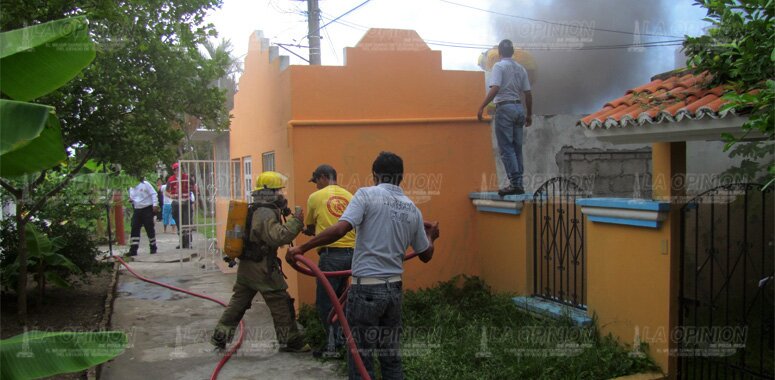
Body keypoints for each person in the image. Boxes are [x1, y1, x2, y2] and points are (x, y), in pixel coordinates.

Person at [287, 152, 440, 380]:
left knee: (361, 356)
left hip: (366, 290)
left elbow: (341, 229)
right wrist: (432, 237)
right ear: (401, 177)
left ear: (375, 174)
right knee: (390, 357)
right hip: (394, 292)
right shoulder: (412, 209)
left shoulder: (366, 195)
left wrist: (302, 248)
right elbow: (426, 255)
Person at [211, 171, 310, 353]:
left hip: (247, 267)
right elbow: (277, 236)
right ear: (269, 192)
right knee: (280, 302)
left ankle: (221, 335)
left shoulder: (256, 207)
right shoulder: (264, 212)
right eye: (278, 190)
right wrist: (296, 221)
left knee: (239, 302)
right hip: (262, 268)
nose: (281, 195)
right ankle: (290, 340)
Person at [303, 164, 356, 358]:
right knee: (342, 300)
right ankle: (346, 340)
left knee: (326, 302)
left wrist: (308, 231)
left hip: (331, 256)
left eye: (316, 181)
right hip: (352, 255)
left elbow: (309, 226)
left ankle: (334, 347)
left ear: (324, 177)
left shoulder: (315, 197)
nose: (316, 186)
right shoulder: (350, 196)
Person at [477, 39, 533, 196]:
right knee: (517, 148)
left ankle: (515, 184)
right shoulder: (521, 68)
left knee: (506, 148)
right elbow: (528, 94)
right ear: (513, 52)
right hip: (518, 108)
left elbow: (496, 88)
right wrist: (529, 114)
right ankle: (519, 183)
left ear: (500, 53)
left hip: (505, 108)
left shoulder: (499, 66)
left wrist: (482, 106)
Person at [127, 177, 159, 256]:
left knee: (149, 228)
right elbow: (133, 197)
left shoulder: (145, 184)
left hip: (146, 209)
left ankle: (153, 247)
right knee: (134, 227)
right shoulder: (131, 188)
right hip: (137, 209)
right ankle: (133, 249)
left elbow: (154, 194)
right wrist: (131, 200)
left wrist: (155, 205)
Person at [166, 162, 191, 249]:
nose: (177, 171)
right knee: (179, 223)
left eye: (178, 169)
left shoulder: (186, 177)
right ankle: (182, 242)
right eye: (175, 170)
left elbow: (193, 187)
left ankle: (188, 242)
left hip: (185, 202)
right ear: (173, 171)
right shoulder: (171, 179)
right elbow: (166, 192)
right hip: (176, 203)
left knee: (186, 222)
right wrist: (170, 195)